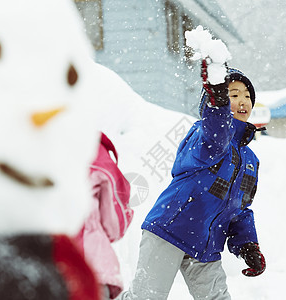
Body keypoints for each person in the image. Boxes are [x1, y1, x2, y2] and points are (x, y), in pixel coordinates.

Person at [118, 62, 266, 300]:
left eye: (247, 96)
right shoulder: (203, 137)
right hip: (170, 229)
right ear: (215, 100)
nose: (243, 101)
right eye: (234, 94)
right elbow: (215, 138)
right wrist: (217, 108)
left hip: (206, 245)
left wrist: (248, 245)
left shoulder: (250, 160)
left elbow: (239, 208)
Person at [74, 132, 133, 300]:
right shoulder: (93, 149)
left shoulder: (24, 143)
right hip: (90, 262)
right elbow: (114, 225)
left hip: (35, 261)